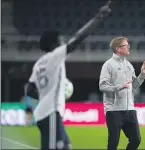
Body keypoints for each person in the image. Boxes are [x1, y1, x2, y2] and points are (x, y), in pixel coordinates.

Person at [24, 2, 111, 149]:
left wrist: (46, 95)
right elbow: (78, 38)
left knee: (66, 146)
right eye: (60, 40)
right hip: (50, 112)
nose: (62, 42)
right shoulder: (54, 56)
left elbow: (29, 90)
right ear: (53, 44)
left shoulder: (39, 63)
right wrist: (98, 18)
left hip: (44, 113)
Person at [99, 37, 145, 150]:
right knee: (113, 143)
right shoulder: (108, 65)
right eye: (126, 45)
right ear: (118, 49)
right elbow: (102, 86)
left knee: (136, 140)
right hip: (113, 110)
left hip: (130, 109)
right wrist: (119, 87)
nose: (128, 47)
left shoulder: (129, 65)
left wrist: (142, 74)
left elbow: (134, 86)